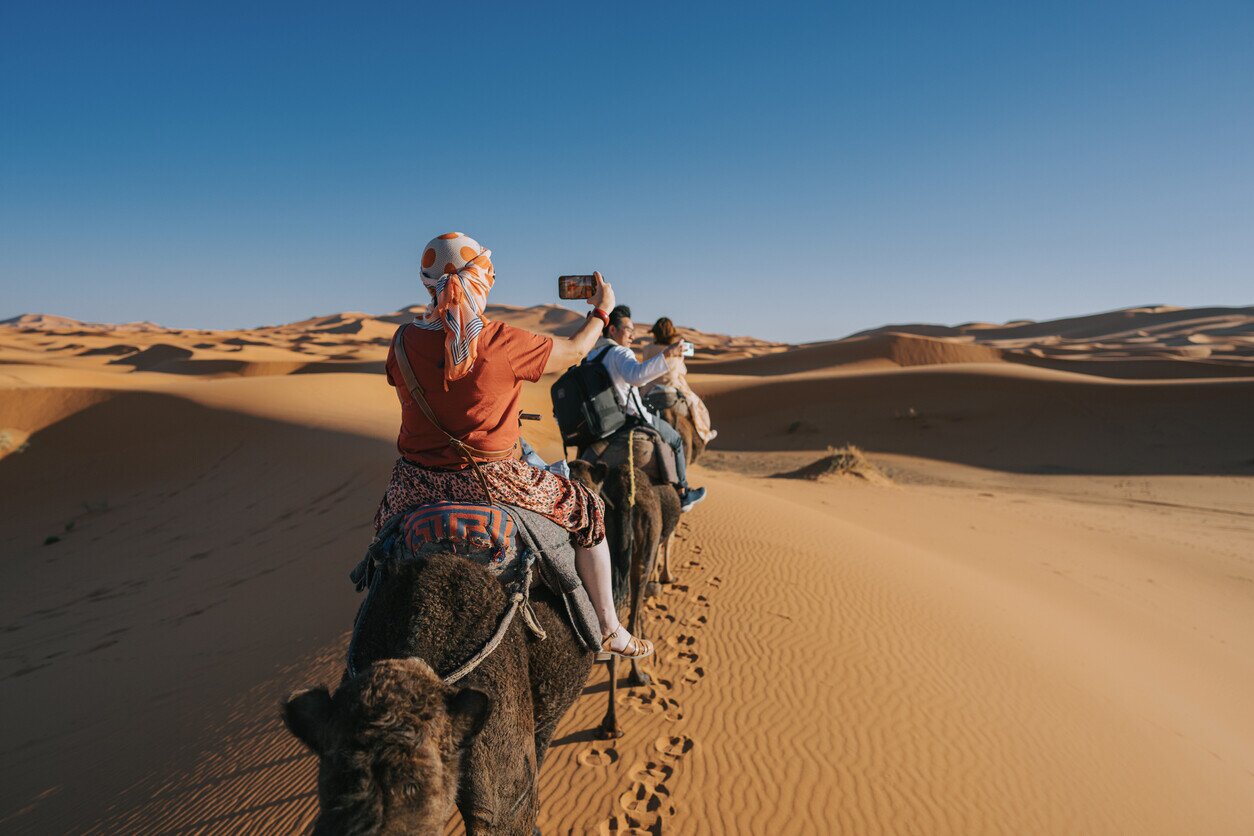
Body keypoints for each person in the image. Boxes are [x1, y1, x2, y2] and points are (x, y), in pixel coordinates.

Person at [373, 232, 651, 660]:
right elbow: (576, 351)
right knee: (589, 509)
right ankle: (609, 627)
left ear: (427, 284)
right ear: (482, 279)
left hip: (415, 483)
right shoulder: (502, 341)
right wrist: (601, 310)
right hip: (493, 479)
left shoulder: (401, 342)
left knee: (382, 540)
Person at [594, 306, 707, 512]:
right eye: (629, 330)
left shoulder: (592, 354)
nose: (632, 335)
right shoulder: (620, 352)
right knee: (677, 438)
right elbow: (637, 376)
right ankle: (683, 493)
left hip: (606, 418)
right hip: (631, 415)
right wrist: (669, 354)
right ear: (612, 330)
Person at [640, 317, 717, 444]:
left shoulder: (647, 349)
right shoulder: (676, 350)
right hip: (673, 391)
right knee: (698, 407)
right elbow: (682, 371)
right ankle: (704, 433)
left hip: (649, 391)